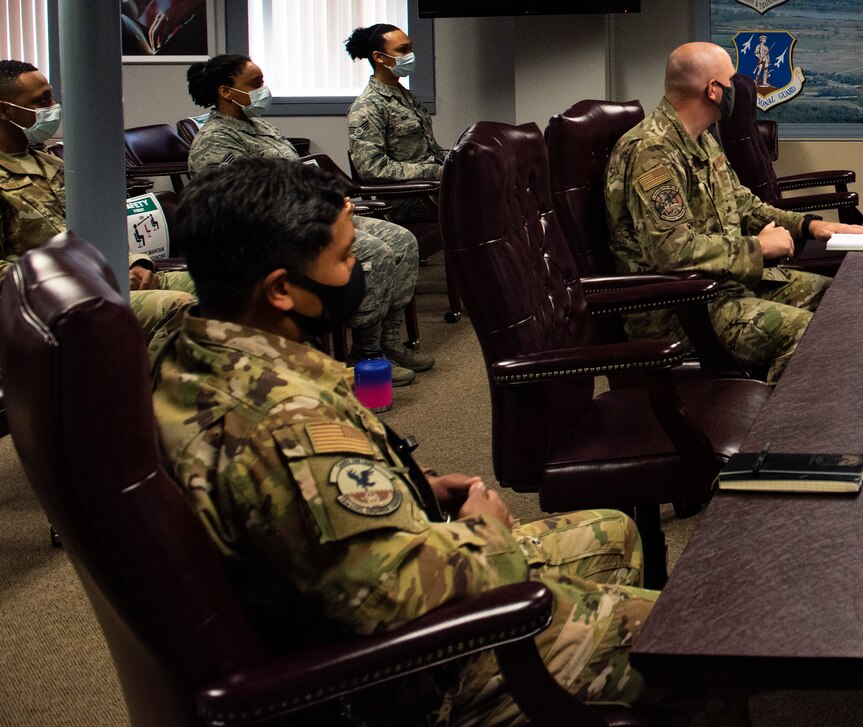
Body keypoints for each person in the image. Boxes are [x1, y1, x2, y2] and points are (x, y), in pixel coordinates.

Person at [152, 158, 660, 726]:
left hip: (341, 596)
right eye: (345, 257)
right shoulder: (287, 422)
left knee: (614, 533)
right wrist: (485, 531)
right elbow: (392, 597)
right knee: (680, 643)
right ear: (280, 290)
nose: (359, 267)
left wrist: (410, 487)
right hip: (406, 676)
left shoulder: (192, 347)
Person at [607, 42, 863, 381]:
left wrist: (809, 226)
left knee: (841, 301)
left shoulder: (701, 138)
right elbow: (671, 251)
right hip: (682, 311)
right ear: (714, 90)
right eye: (732, 79)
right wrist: (758, 248)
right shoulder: (651, 152)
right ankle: (782, 430)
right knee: (811, 337)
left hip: (727, 285)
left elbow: (744, 204)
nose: (739, 87)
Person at [185, 53, 430, 384]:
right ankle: (367, 353)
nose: (263, 89)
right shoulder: (215, 140)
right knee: (376, 251)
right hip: (278, 233)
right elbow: (239, 210)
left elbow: (295, 175)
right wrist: (320, 214)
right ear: (226, 92)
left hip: (309, 214)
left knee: (402, 239)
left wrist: (329, 202)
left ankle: (388, 342)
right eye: (255, 84)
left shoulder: (258, 125)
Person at [0, 58, 191, 297]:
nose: (53, 106)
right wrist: (83, 276)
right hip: (52, 298)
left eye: (51, 97)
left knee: (220, 288)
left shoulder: (52, 164)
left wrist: (135, 263)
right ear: (4, 110)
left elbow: (98, 231)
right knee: (177, 303)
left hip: (103, 278)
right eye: (41, 101)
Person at [344, 23, 446, 222]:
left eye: (410, 48)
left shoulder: (408, 97)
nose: (410, 55)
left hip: (433, 189)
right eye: (402, 50)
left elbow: (430, 151)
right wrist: (434, 171)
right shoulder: (368, 106)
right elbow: (372, 168)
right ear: (379, 57)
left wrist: (456, 160)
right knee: (486, 202)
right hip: (406, 199)